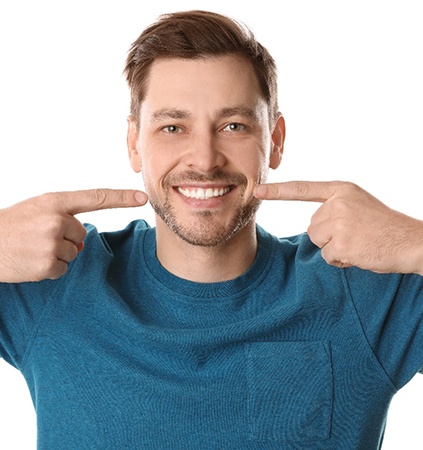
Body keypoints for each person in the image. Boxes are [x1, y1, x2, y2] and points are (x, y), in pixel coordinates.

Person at [0, 9, 422, 449]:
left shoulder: (360, 293)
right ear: (133, 144)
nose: (203, 159)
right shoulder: (54, 282)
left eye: (233, 126)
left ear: (275, 140)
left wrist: (415, 242)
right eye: (172, 127)